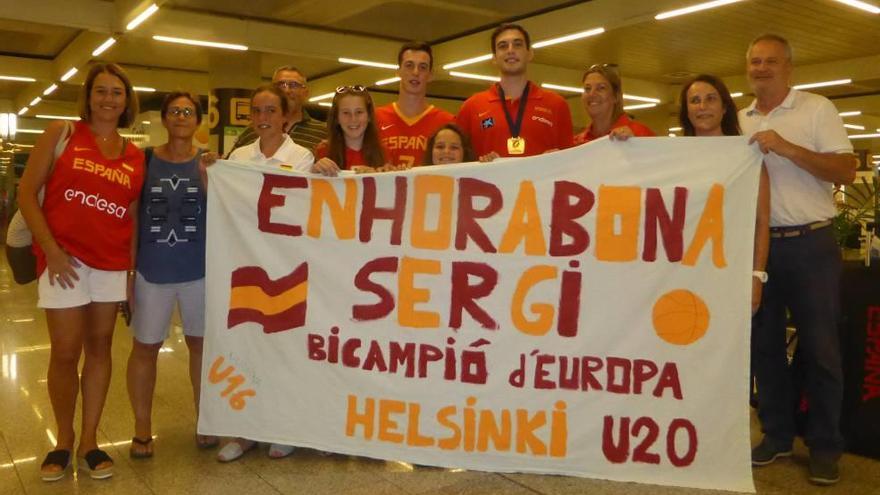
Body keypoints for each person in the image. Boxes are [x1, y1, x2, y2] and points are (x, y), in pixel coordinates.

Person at [18, 63, 145, 481]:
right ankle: (64, 439)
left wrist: (129, 277)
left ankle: (90, 440)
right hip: (64, 262)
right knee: (66, 350)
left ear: (127, 102)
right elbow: (26, 192)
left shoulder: (133, 154)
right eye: (102, 91)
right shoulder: (62, 133)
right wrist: (51, 250)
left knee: (100, 348)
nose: (109, 99)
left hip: (109, 265)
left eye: (118, 93)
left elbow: (130, 217)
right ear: (89, 97)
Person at [740, 34, 856, 486]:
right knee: (764, 346)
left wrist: (787, 148)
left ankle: (826, 446)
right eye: (754, 62)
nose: (761, 68)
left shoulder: (816, 109)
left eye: (770, 61)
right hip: (759, 247)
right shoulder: (742, 119)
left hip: (812, 245)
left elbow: (845, 170)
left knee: (822, 350)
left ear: (789, 67)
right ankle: (777, 434)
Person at [213, 84, 314, 462]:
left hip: (285, 268)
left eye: (271, 111)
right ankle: (244, 430)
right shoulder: (238, 156)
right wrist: (210, 173)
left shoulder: (301, 156)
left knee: (282, 349)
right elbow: (225, 204)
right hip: (245, 266)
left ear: (285, 115)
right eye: (257, 111)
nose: (263, 118)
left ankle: (281, 426)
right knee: (246, 346)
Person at [126, 92, 215, 459]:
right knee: (145, 347)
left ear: (198, 120)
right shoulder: (144, 160)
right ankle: (142, 427)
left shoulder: (209, 164)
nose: (181, 117)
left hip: (199, 271)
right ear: (164, 118)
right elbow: (132, 219)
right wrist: (129, 274)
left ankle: (205, 420)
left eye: (188, 111)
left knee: (201, 347)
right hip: (153, 270)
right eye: (175, 111)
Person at [678, 74, 770, 314]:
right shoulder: (672, 158)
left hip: (732, 271)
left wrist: (756, 277)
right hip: (681, 272)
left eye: (710, 99)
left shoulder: (747, 157)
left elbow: (761, 222)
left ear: (724, 107)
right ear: (686, 110)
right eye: (694, 100)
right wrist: (626, 147)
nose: (702, 106)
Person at [455, 23, 573, 160]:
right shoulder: (472, 107)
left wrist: (558, 158)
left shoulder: (556, 105)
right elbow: (459, 161)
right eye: (503, 46)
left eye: (517, 44)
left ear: (530, 54)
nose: (510, 50)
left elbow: (571, 161)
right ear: (494, 58)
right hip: (490, 182)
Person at [375, 42, 454, 167]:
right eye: (409, 65)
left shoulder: (446, 122)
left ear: (430, 75)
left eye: (423, 67)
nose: (416, 72)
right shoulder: (375, 118)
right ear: (398, 71)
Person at [228, 66, 327, 154]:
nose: (286, 90)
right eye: (280, 85)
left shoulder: (325, 133)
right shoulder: (252, 130)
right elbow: (229, 166)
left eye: (293, 85)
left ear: (305, 93)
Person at [312, 86, 388, 176]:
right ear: (337, 118)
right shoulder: (323, 151)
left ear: (369, 116)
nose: (353, 119)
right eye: (346, 113)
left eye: (359, 112)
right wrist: (314, 171)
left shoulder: (385, 152)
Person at [575, 64, 655, 143]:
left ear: (615, 96)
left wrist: (635, 145)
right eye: (587, 88)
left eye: (601, 88)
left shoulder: (640, 134)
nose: (592, 94)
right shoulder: (577, 143)